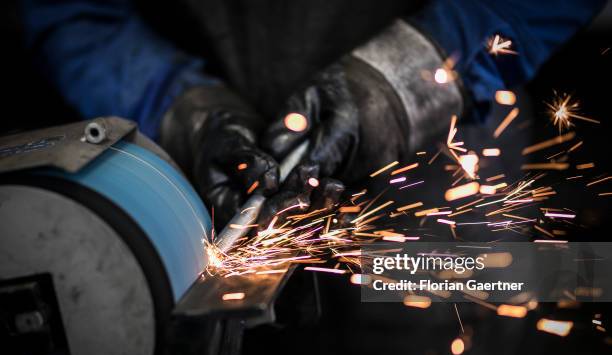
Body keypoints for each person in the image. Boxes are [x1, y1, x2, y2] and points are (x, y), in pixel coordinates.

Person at [21, 0, 606, 229]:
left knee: (460, 342)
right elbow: (67, 12)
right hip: (203, 204)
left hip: (445, 197)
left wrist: (402, 81)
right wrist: (182, 109)